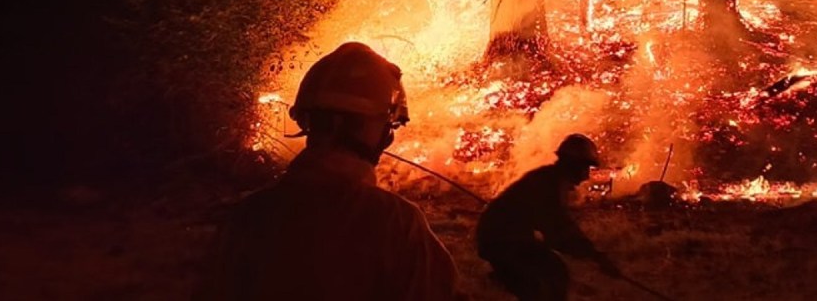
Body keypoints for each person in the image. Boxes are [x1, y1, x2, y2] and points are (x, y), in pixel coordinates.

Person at [194, 42, 459, 301]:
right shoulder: (398, 225)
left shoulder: (247, 218)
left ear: (307, 121)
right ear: (371, 128)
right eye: (387, 126)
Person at [476, 134, 622, 301]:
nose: (586, 175)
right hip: (501, 241)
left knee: (552, 272)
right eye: (585, 167)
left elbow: (558, 228)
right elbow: (559, 231)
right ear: (573, 164)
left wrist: (593, 255)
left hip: (503, 238)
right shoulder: (548, 186)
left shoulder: (549, 179)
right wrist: (596, 256)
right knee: (548, 277)